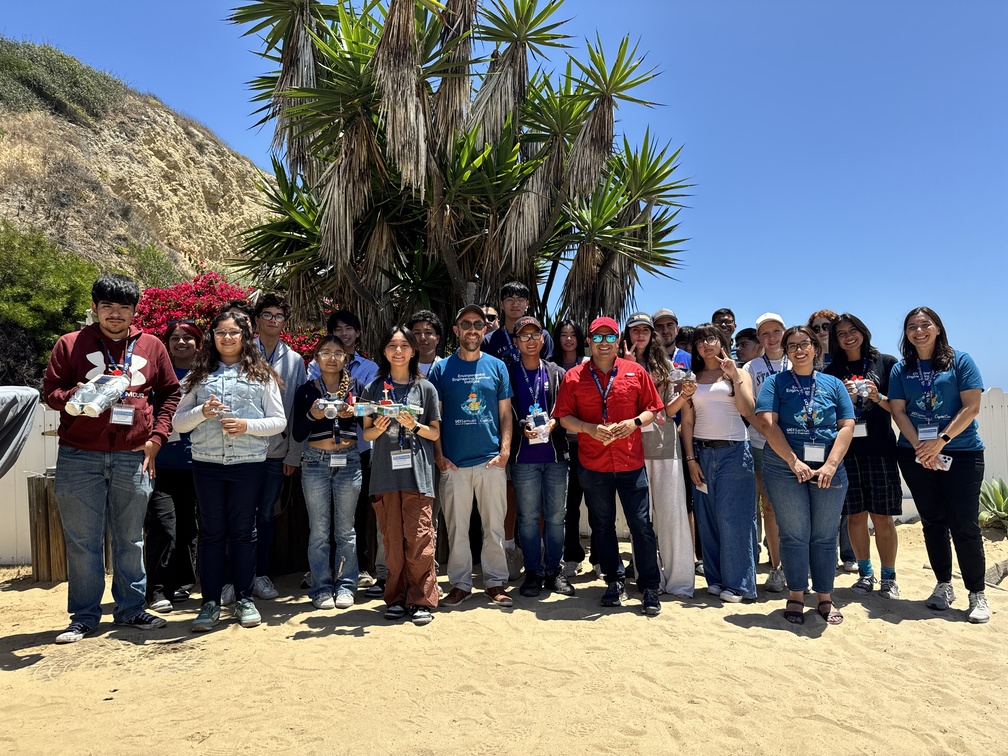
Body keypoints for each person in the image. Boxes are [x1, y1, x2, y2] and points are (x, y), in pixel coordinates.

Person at [43, 273, 180, 643]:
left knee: (131, 539)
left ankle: (131, 610)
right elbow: (50, 391)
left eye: (123, 308)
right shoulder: (70, 344)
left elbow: (170, 394)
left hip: (132, 457)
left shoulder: (151, 345)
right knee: (83, 541)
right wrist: (77, 396)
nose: (115, 314)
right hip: (78, 455)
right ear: (95, 308)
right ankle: (85, 617)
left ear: (134, 311)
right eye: (107, 307)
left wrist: (156, 438)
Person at [173, 312, 286, 631]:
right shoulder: (198, 373)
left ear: (244, 336)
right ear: (212, 336)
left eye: (233, 332)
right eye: (220, 332)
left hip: (248, 464)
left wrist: (246, 425)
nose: (227, 338)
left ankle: (245, 598)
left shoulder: (262, 374)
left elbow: (278, 422)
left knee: (244, 532)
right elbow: (178, 422)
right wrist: (202, 411)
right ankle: (209, 603)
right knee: (210, 533)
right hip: (207, 463)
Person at [553, 316, 665, 616]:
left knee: (641, 525)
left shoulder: (635, 372)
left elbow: (654, 408)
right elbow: (563, 417)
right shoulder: (574, 376)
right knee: (602, 526)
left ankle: (649, 585)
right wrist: (589, 429)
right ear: (588, 341)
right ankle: (614, 580)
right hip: (593, 464)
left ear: (618, 340)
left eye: (609, 337)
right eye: (597, 338)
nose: (603, 343)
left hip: (630, 462)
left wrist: (634, 422)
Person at [888, 307, 989, 624]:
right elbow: (898, 411)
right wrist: (921, 445)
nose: (919, 331)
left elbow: (971, 407)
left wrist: (940, 440)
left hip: (960, 453)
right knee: (932, 522)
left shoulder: (961, 361)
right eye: (912, 326)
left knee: (965, 525)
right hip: (915, 454)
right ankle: (944, 586)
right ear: (906, 333)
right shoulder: (901, 369)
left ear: (938, 328)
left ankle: (977, 594)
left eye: (925, 324)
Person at [756, 325, 854, 626]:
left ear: (815, 347)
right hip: (784, 467)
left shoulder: (833, 384)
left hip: (829, 467)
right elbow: (766, 423)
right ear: (786, 352)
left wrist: (831, 465)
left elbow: (847, 425)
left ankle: (824, 597)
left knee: (825, 536)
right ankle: (796, 595)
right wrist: (793, 460)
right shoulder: (775, 383)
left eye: (805, 344)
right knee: (794, 534)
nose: (799, 350)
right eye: (792, 346)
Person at [429, 305, 515, 607]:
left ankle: (494, 582)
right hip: (454, 463)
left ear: (484, 330)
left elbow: (506, 415)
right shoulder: (441, 369)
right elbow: (434, 417)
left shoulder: (497, 367)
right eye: (466, 324)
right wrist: (439, 456)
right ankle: (461, 584)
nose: (473, 329)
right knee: (457, 528)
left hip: (490, 461)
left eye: (478, 324)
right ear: (456, 331)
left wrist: (504, 451)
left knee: (494, 527)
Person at [361, 327, 442, 625]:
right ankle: (395, 598)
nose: (398, 351)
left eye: (404, 345)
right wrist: (380, 428)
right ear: (384, 351)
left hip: (418, 475)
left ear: (413, 351)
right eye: (392, 345)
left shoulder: (426, 389)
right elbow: (367, 432)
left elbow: (434, 433)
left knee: (420, 540)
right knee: (393, 544)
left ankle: (420, 600)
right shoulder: (373, 388)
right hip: (385, 476)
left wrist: (414, 425)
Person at [824, 314, 902, 599]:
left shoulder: (887, 363)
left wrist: (877, 396)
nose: (848, 337)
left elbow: (900, 409)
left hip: (880, 450)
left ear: (863, 332)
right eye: (841, 333)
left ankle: (889, 577)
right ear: (836, 340)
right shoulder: (831, 371)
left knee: (882, 518)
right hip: (846, 453)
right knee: (855, 517)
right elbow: (825, 416)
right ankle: (865, 574)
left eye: (852, 330)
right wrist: (840, 398)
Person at [680, 323, 757, 603]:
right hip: (702, 452)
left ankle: (739, 585)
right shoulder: (692, 377)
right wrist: (690, 459)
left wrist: (733, 376)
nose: (705, 345)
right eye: (700, 341)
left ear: (721, 341)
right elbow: (687, 422)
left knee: (733, 519)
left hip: (734, 451)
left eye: (711, 338)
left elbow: (748, 409)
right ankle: (716, 578)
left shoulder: (739, 373)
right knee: (708, 518)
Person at [622, 312, 696, 597]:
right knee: (641, 521)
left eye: (645, 330)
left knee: (672, 515)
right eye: (635, 330)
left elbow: (668, 411)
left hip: (665, 448)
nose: (640, 335)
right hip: (632, 450)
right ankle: (649, 579)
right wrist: (628, 370)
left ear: (652, 334)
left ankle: (679, 581)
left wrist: (685, 394)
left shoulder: (666, 366)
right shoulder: (616, 366)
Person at [291, 336, 364, 611]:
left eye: (338, 353)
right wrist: (312, 415)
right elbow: (298, 433)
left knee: (346, 530)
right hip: (314, 461)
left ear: (346, 358)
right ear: (316, 358)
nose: (332, 358)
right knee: (319, 531)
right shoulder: (306, 390)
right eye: (326, 352)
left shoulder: (356, 387)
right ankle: (321, 588)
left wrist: (352, 414)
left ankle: (346, 586)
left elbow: (367, 424)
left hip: (348, 460)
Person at [508, 316, 573, 598]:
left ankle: (554, 571)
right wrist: (521, 426)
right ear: (516, 342)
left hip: (556, 455)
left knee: (557, 517)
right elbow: (504, 410)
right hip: (524, 458)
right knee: (528, 518)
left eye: (536, 335)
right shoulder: (508, 372)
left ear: (543, 339)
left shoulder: (557, 371)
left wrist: (554, 422)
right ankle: (533, 572)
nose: (531, 340)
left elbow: (565, 406)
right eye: (524, 336)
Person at [249, 293, 306, 601]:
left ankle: (260, 574)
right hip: (241, 450)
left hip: (275, 452)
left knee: (266, 515)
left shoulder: (295, 360)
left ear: (285, 322)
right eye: (267, 315)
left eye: (278, 316)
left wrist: (293, 453)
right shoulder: (241, 353)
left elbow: (297, 410)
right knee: (238, 514)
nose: (272, 320)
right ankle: (236, 578)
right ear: (256, 320)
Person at [321, 310, 382, 594]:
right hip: (322, 450)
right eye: (338, 328)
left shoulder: (369, 368)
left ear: (357, 333)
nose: (344, 333)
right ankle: (323, 570)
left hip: (360, 448)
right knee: (324, 514)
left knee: (357, 514)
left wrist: (353, 408)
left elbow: (371, 407)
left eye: (349, 328)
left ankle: (357, 571)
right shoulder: (315, 366)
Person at [144, 319, 202, 613]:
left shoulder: (207, 375)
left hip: (198, 463)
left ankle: (183, 582)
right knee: (164, 527)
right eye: (175, 338)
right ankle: (156, 589)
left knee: (190, 528)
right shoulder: (155, 375)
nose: (181, 343)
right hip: (161, 462)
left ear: (199, 343)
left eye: (187, 338)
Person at [742, 314, 789, 593]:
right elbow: (747, 406)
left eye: (776, 331)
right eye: (765, 333)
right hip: (761, 443)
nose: (771, 337)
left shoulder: (796, 358)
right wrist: (768, 430)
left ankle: (800, 565)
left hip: (797, 443)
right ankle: (777, 567)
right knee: (769, 508)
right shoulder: (751, 366)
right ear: (759, 339)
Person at [549, 318, 592, 576]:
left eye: (572, 334)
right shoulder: (551, 366)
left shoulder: (589, 364)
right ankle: (572, 554)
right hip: (563, 445)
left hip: (590, 441)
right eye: (563, 334)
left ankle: (599, 556)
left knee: (598, 503)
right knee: (570, 503)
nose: (568, 338)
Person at [407, 309, 444, 378]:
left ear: (437, 339)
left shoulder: (446, 368)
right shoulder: (402, 369)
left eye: (428, 333)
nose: (422, 338)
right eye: (417, 333)